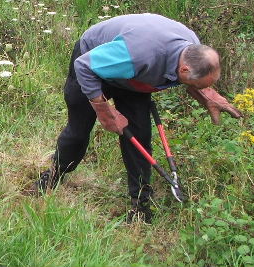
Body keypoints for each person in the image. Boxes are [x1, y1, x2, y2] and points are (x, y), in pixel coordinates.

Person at [33, 13, 242, 223]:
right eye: (197, 85)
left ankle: (140, 205)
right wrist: (103, 110)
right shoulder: (140, 55)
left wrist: (206, 93)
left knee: (139, 136)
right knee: (79, 131)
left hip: (134, 76)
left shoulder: (193, 48)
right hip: (93, 64)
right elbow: (84, 65)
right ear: (184, 69)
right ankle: (53, 176)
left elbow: (190, 76)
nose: (198, 89)